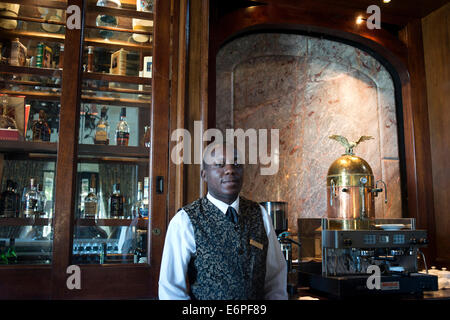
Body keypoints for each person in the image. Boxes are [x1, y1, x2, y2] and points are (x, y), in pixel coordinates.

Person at [158, 142, 287, 300]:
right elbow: (170, 290)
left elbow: (275, 278)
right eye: (219, 164)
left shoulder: (260, 214)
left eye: (236, 164)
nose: (230, 170)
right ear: (204, 175)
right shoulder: (185, 221)